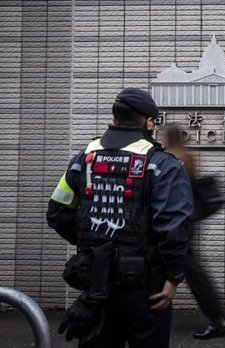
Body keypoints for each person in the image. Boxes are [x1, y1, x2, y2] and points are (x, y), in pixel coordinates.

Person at [47, 88, 194, 347]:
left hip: (95, 283)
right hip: (147, 287)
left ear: (115, 119)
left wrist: (94, 247)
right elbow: (174, 227)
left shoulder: (83, 159)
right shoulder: (162, 165)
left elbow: (58, 213)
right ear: (149, 122)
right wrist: (173, 277)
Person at [160, 123, 225, 340]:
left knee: (192, 271)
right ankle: (217, 318)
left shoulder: (170, 157)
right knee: (191, 269)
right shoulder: (188, 155)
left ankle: (218, 319)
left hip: (175, 221)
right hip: (189, 220)